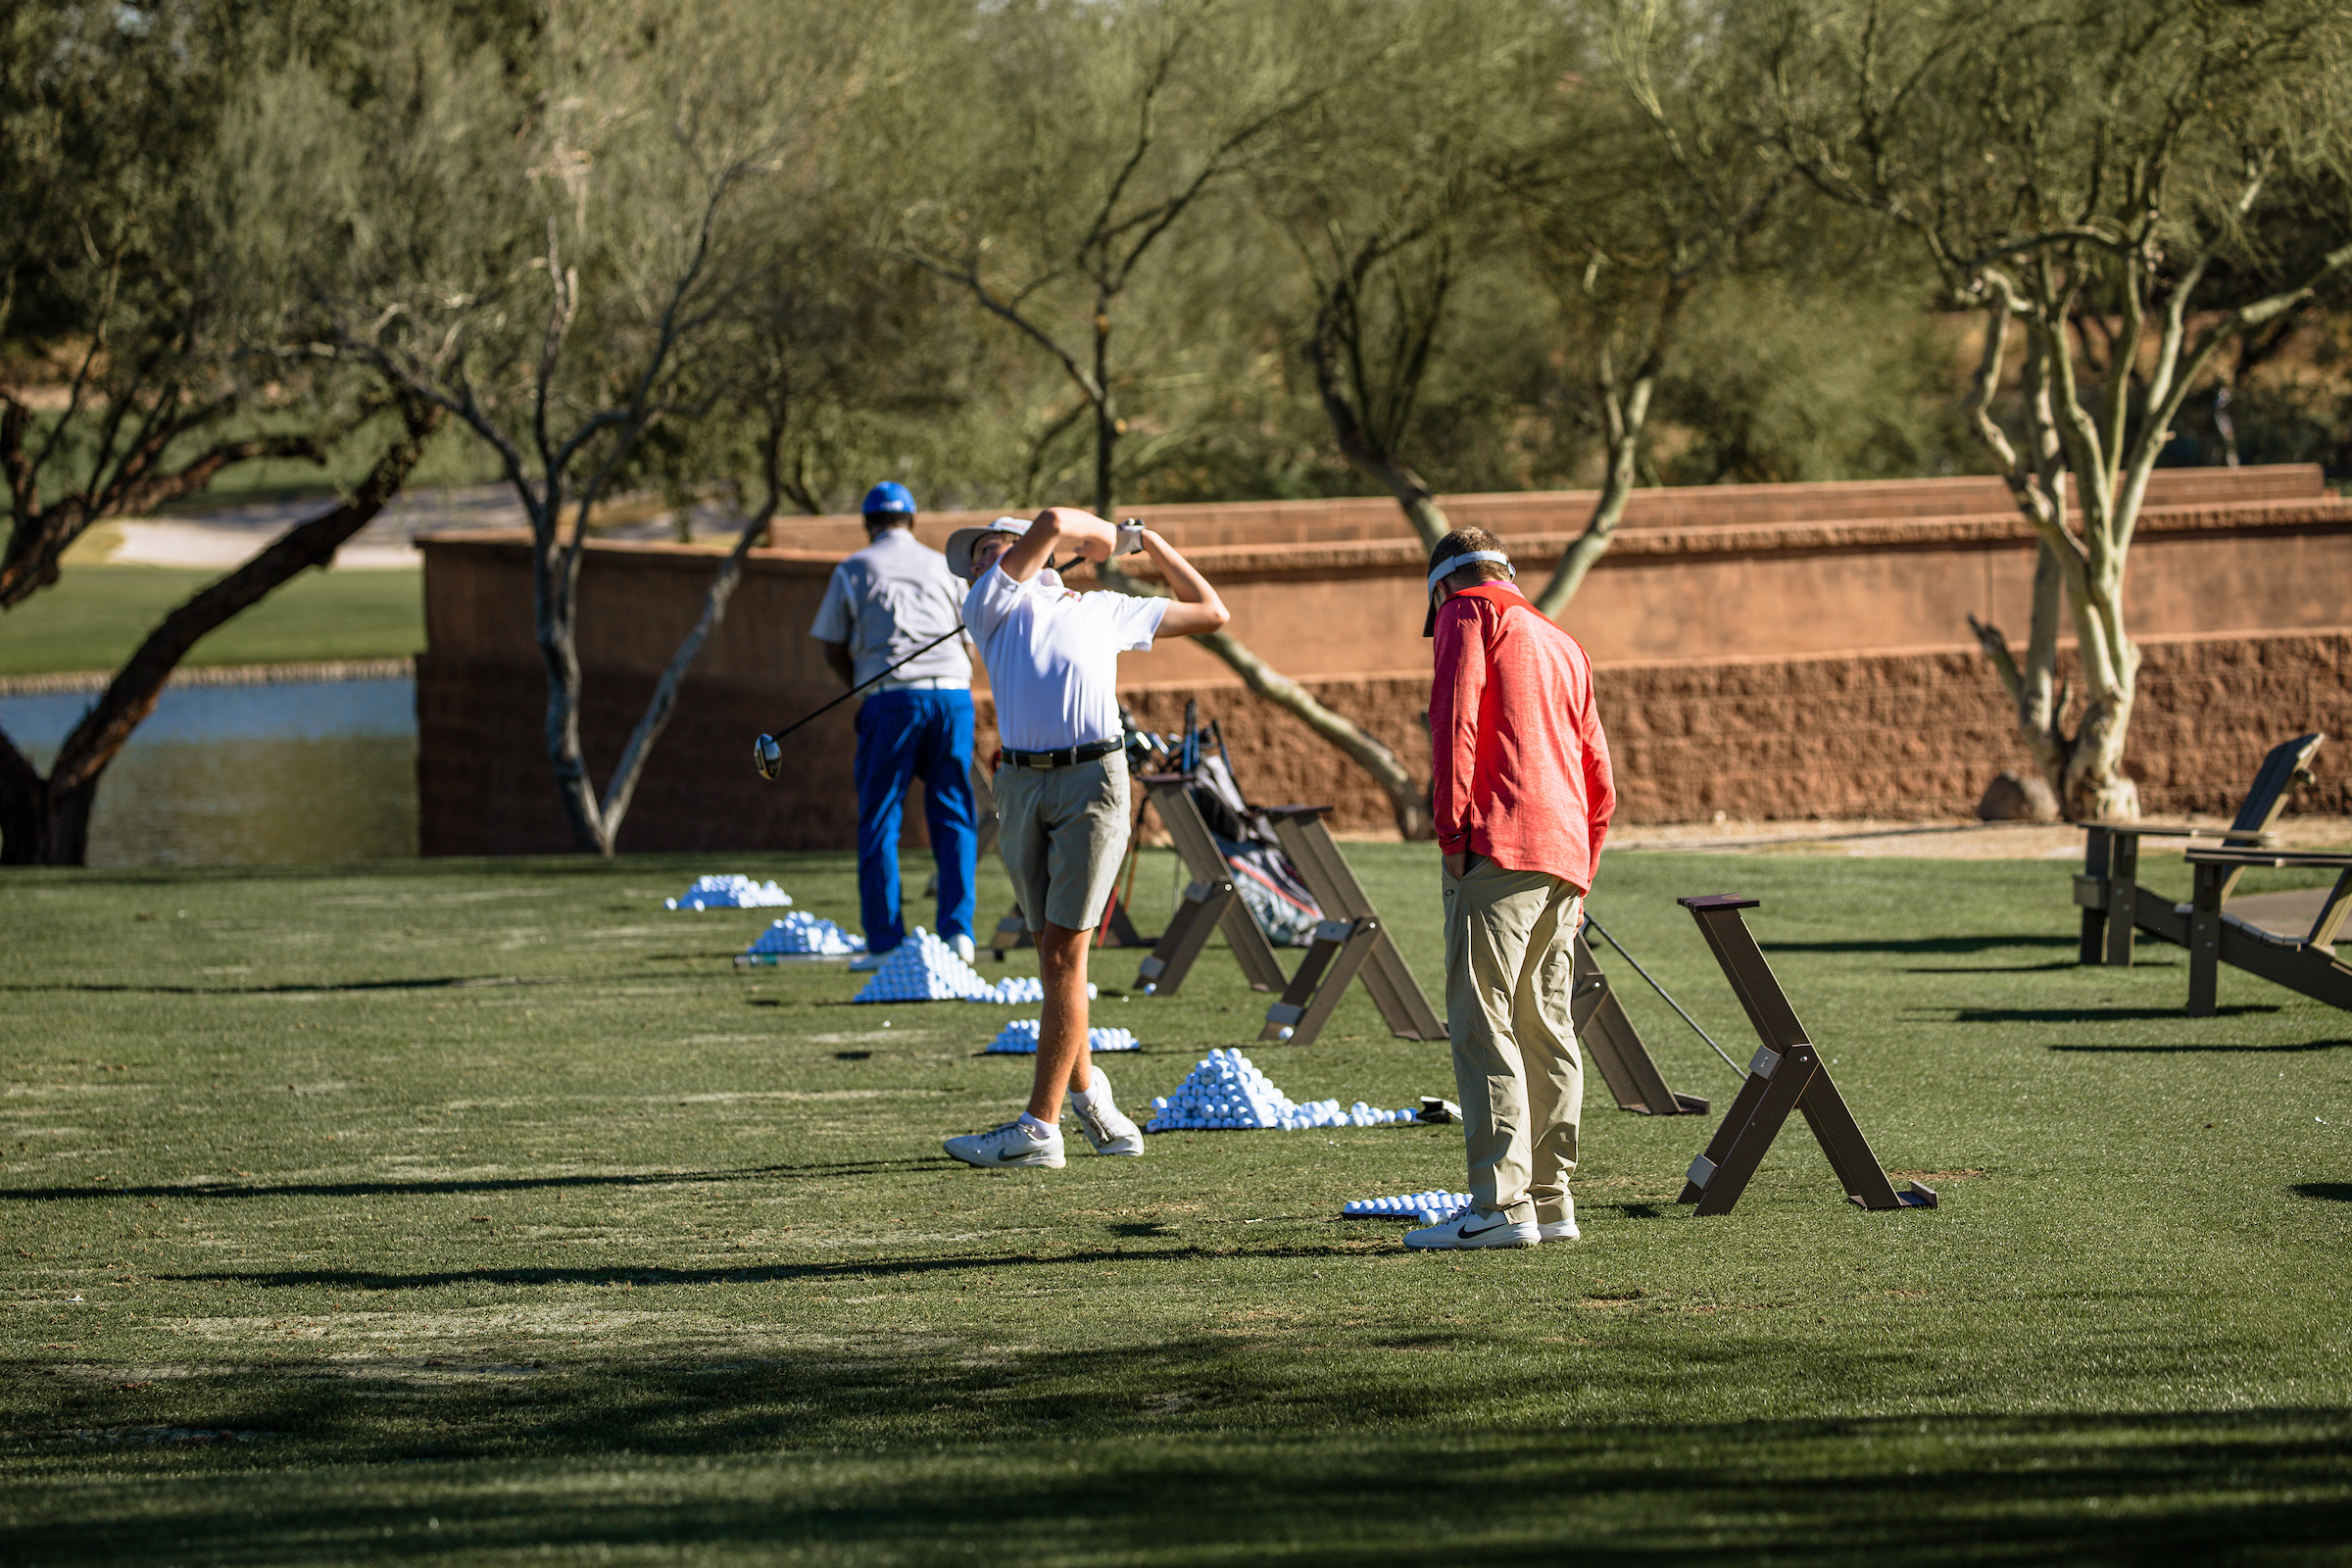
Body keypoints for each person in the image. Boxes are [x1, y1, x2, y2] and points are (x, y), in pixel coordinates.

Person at [938, 507, 1229, 1169]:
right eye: (975, 558)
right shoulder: (988, 605)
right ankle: (1092, 1099)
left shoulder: (1101, 609)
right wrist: (1113, 539)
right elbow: (1051, 519)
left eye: (989, 549)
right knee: (1052, 955)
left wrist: (1149, 543)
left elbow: (1211, 612)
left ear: (1036, 555)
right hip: (1020, 785)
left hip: (1094, 782)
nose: (978, 564)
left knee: (1065, 953)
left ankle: (1038, 1130)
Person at [1407, 527, 1616, 1250]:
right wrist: (1585, 867)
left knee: (1483, 1021)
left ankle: (1499, 1205)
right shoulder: (1563, 640)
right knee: (1545, 1025)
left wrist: (1451, 833)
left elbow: (1453, 720)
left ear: (1443, 586)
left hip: (1496, 842)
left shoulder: (1466, 612)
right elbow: (1598, 774)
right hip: (1564, 854)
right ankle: (1552, 1203)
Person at [810, 481, 980, 969]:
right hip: (952, 697)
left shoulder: (854, 568)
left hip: (891, 700)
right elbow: (970, 644)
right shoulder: (944, 565)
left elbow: (832, 646)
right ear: (913, 521)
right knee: (953, 812)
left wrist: (862, 687)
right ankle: (958, 935)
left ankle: (885, 942)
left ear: (868, 523)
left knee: (881, 816)